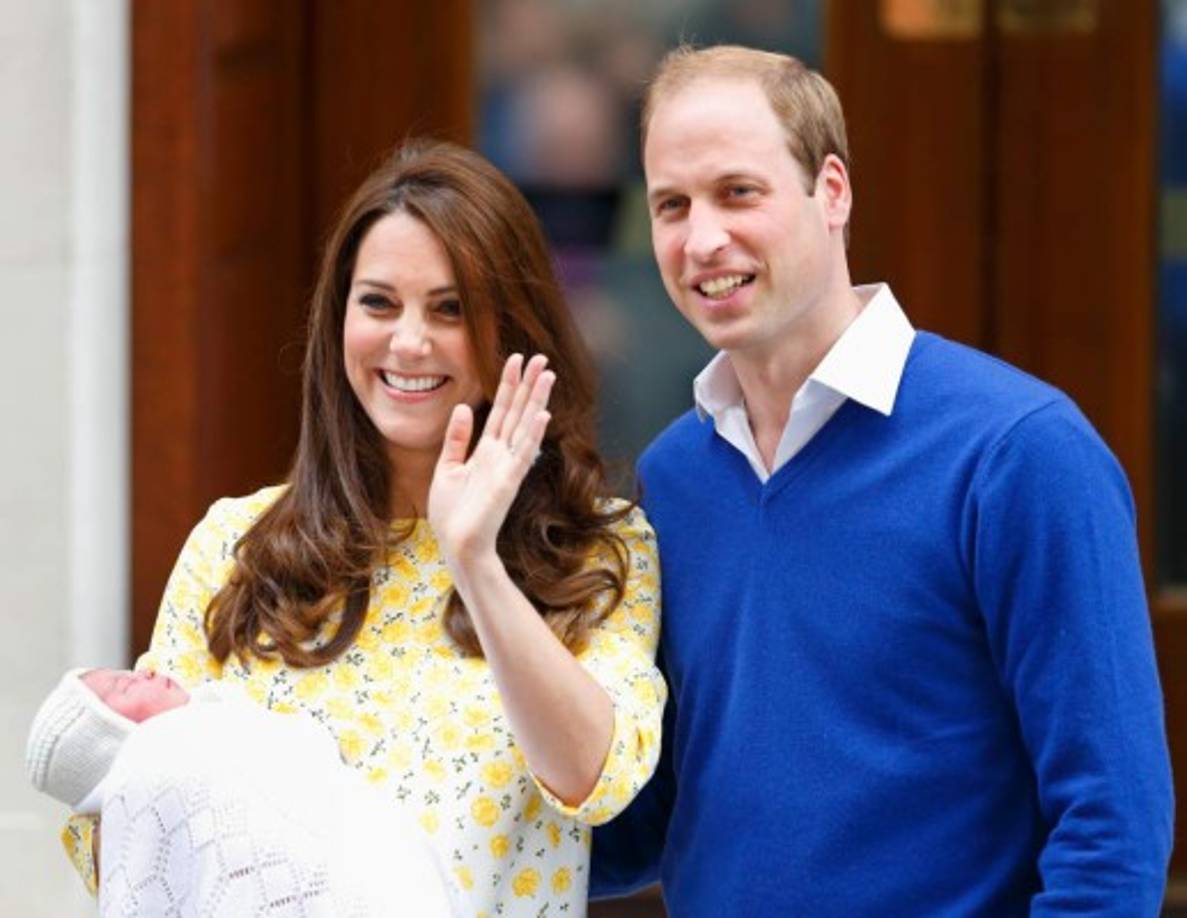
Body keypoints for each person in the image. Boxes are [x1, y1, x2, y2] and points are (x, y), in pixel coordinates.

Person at [591, 44, 1174, 914]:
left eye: (737, 192)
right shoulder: (674, 480)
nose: (702, 237)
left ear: (832, 190)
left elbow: (1111, 826)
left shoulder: (1018, 453)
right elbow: (644, 826)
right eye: (671, 204)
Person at [57, 139, 665, 917]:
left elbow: (596, 779)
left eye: (450, 308)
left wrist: (473, 558)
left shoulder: (600, 550)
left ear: (509, 330)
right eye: (378, 302)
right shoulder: (235, 546)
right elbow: (131, 840)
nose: (408, 341)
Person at [28, 668, 458, 916]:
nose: (147, 670)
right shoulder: (158, 760)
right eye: (123, 688)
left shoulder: (225, 719)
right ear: (109, 738)